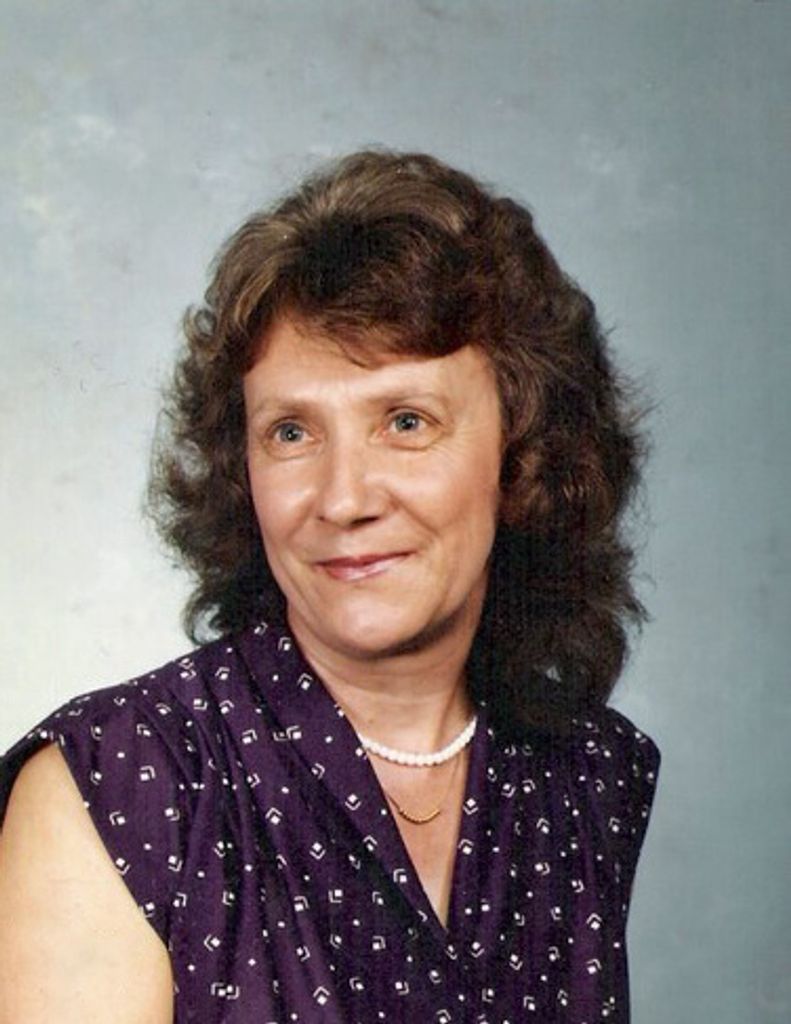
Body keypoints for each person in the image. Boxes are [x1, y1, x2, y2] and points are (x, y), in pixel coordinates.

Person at [0, 150, 660, 1023]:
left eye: (406, 421)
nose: (344, 499)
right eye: (290, 433)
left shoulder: (589, 775)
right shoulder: (118, 784)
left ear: (523, 452)